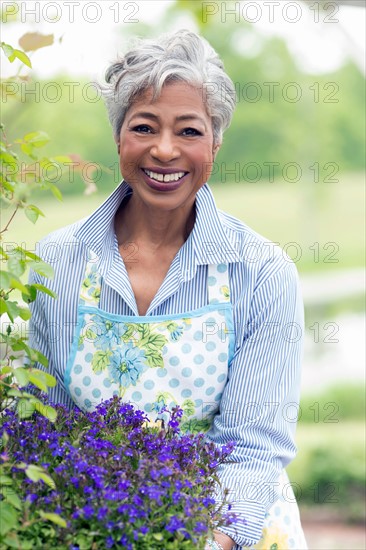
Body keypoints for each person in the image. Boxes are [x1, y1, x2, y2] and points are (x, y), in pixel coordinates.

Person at [29, 29, 307, 550]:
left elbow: (253, 447)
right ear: (118, 139)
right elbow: (48, 427)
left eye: (189, 131)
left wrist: (208, 541)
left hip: (232, 532)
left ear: (216, 143)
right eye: (144, 127)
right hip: (99, 527)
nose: (164, 150)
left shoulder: (264, 272)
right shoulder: (57, 262)